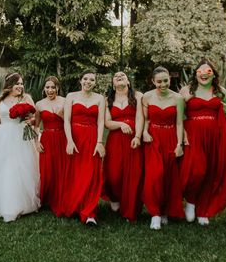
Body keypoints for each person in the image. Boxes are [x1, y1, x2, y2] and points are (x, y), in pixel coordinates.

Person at [0, 73, 40, 222]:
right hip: (3, 138)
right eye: (17, 83)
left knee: (23, 168)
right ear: (9, 85)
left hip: (21, 137)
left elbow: (35, 119)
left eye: (22, 83)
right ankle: (7, 203)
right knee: (6, 168)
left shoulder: (27, 98)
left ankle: (23, 201)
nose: (20, 86)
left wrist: (28, 119)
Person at [179, 59, 226, 226]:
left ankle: (204, 210)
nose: (204, 73)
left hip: (215, 136)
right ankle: (191, 201)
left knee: (211, 172)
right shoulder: (186, 91)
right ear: (196, 74)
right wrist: (183, 135)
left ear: (213, 74)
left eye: (208, 71)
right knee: (196, 171)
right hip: (194, 135)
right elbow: (180, 116)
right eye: (200, 71)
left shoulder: (221, 92)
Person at [141, 67, 185, 230]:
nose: (163, 84)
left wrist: (179, 144)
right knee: (154, 175)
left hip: (170, 137)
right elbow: (146, 119)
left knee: (168, 176)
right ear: (153, 82)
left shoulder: (178, 98)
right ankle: (155, 214)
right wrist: (144, 132)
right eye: (159, 81)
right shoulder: (147, 96)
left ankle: (165, 210)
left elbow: (179, 122)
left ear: (169, 80)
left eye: (165, 80)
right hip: (153, 138)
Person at [60, 71, 105, 225]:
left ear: (95, 82)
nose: (88, 81)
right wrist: (70, 141)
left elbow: (100, 122)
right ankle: (75, 206)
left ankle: (90, 212)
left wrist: (99, 142)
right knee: (75, 173)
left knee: (91, 174)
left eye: (92, 79)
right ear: (80, 80)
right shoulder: (71, 96)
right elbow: (66, 121)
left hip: (92, 138)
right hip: (75, 138)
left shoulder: (100, 99)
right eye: (85, 78)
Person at [103, 71, 144, 222]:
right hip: (115, 139)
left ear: (128, 81)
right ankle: (115, 197)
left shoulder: (138, 96)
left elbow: (140, 117)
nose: (119, 76)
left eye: (123, 75)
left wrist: (138, 136)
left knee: (133, 174)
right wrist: (121, 124)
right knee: (113, 174)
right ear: (113, 83)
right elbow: (107, 122)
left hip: (133, 138)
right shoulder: (107, 100)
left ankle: (131, 209)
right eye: (116, 76)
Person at [34, 76, 67, 215]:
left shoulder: (65, 101)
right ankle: (46, 198)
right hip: (47, 138)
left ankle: (61, 198)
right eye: (47, 87)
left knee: (62, 168)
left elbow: (70, 122)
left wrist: (62, 115)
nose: (50, 90)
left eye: (53, 87)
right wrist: (37, 141)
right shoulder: (39, 104)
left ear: (57, 88)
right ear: (44, 89)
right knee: (47, 169)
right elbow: (36, 126)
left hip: (62, 137)